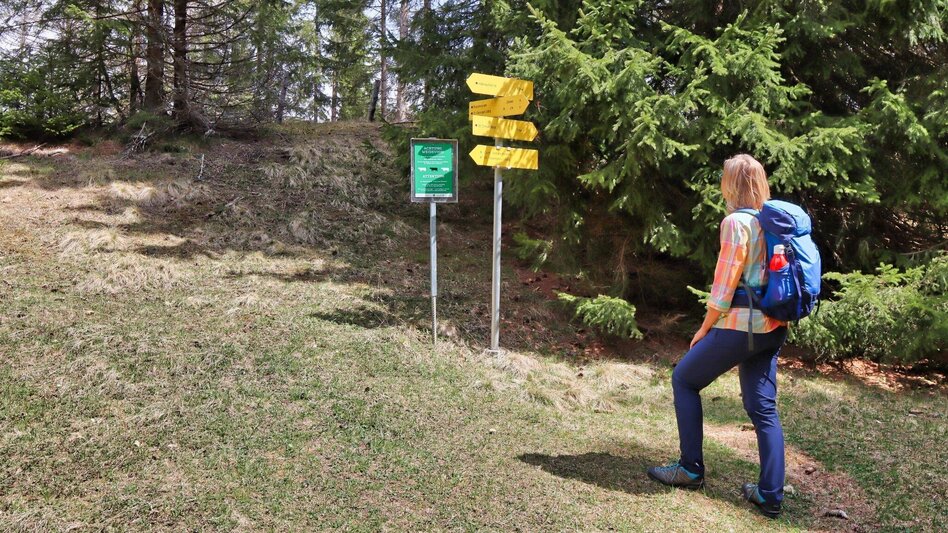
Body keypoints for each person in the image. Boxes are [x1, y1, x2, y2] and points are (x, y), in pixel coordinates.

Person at [646, 154, 788, 519]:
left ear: (732, 184)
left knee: (684, 379)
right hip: (773, 326)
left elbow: (725, 283)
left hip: (742, 325)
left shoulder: (735, 222)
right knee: (763, 409)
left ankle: (690, 468)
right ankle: (770, 494)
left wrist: (705, 326)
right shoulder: (774, 221)